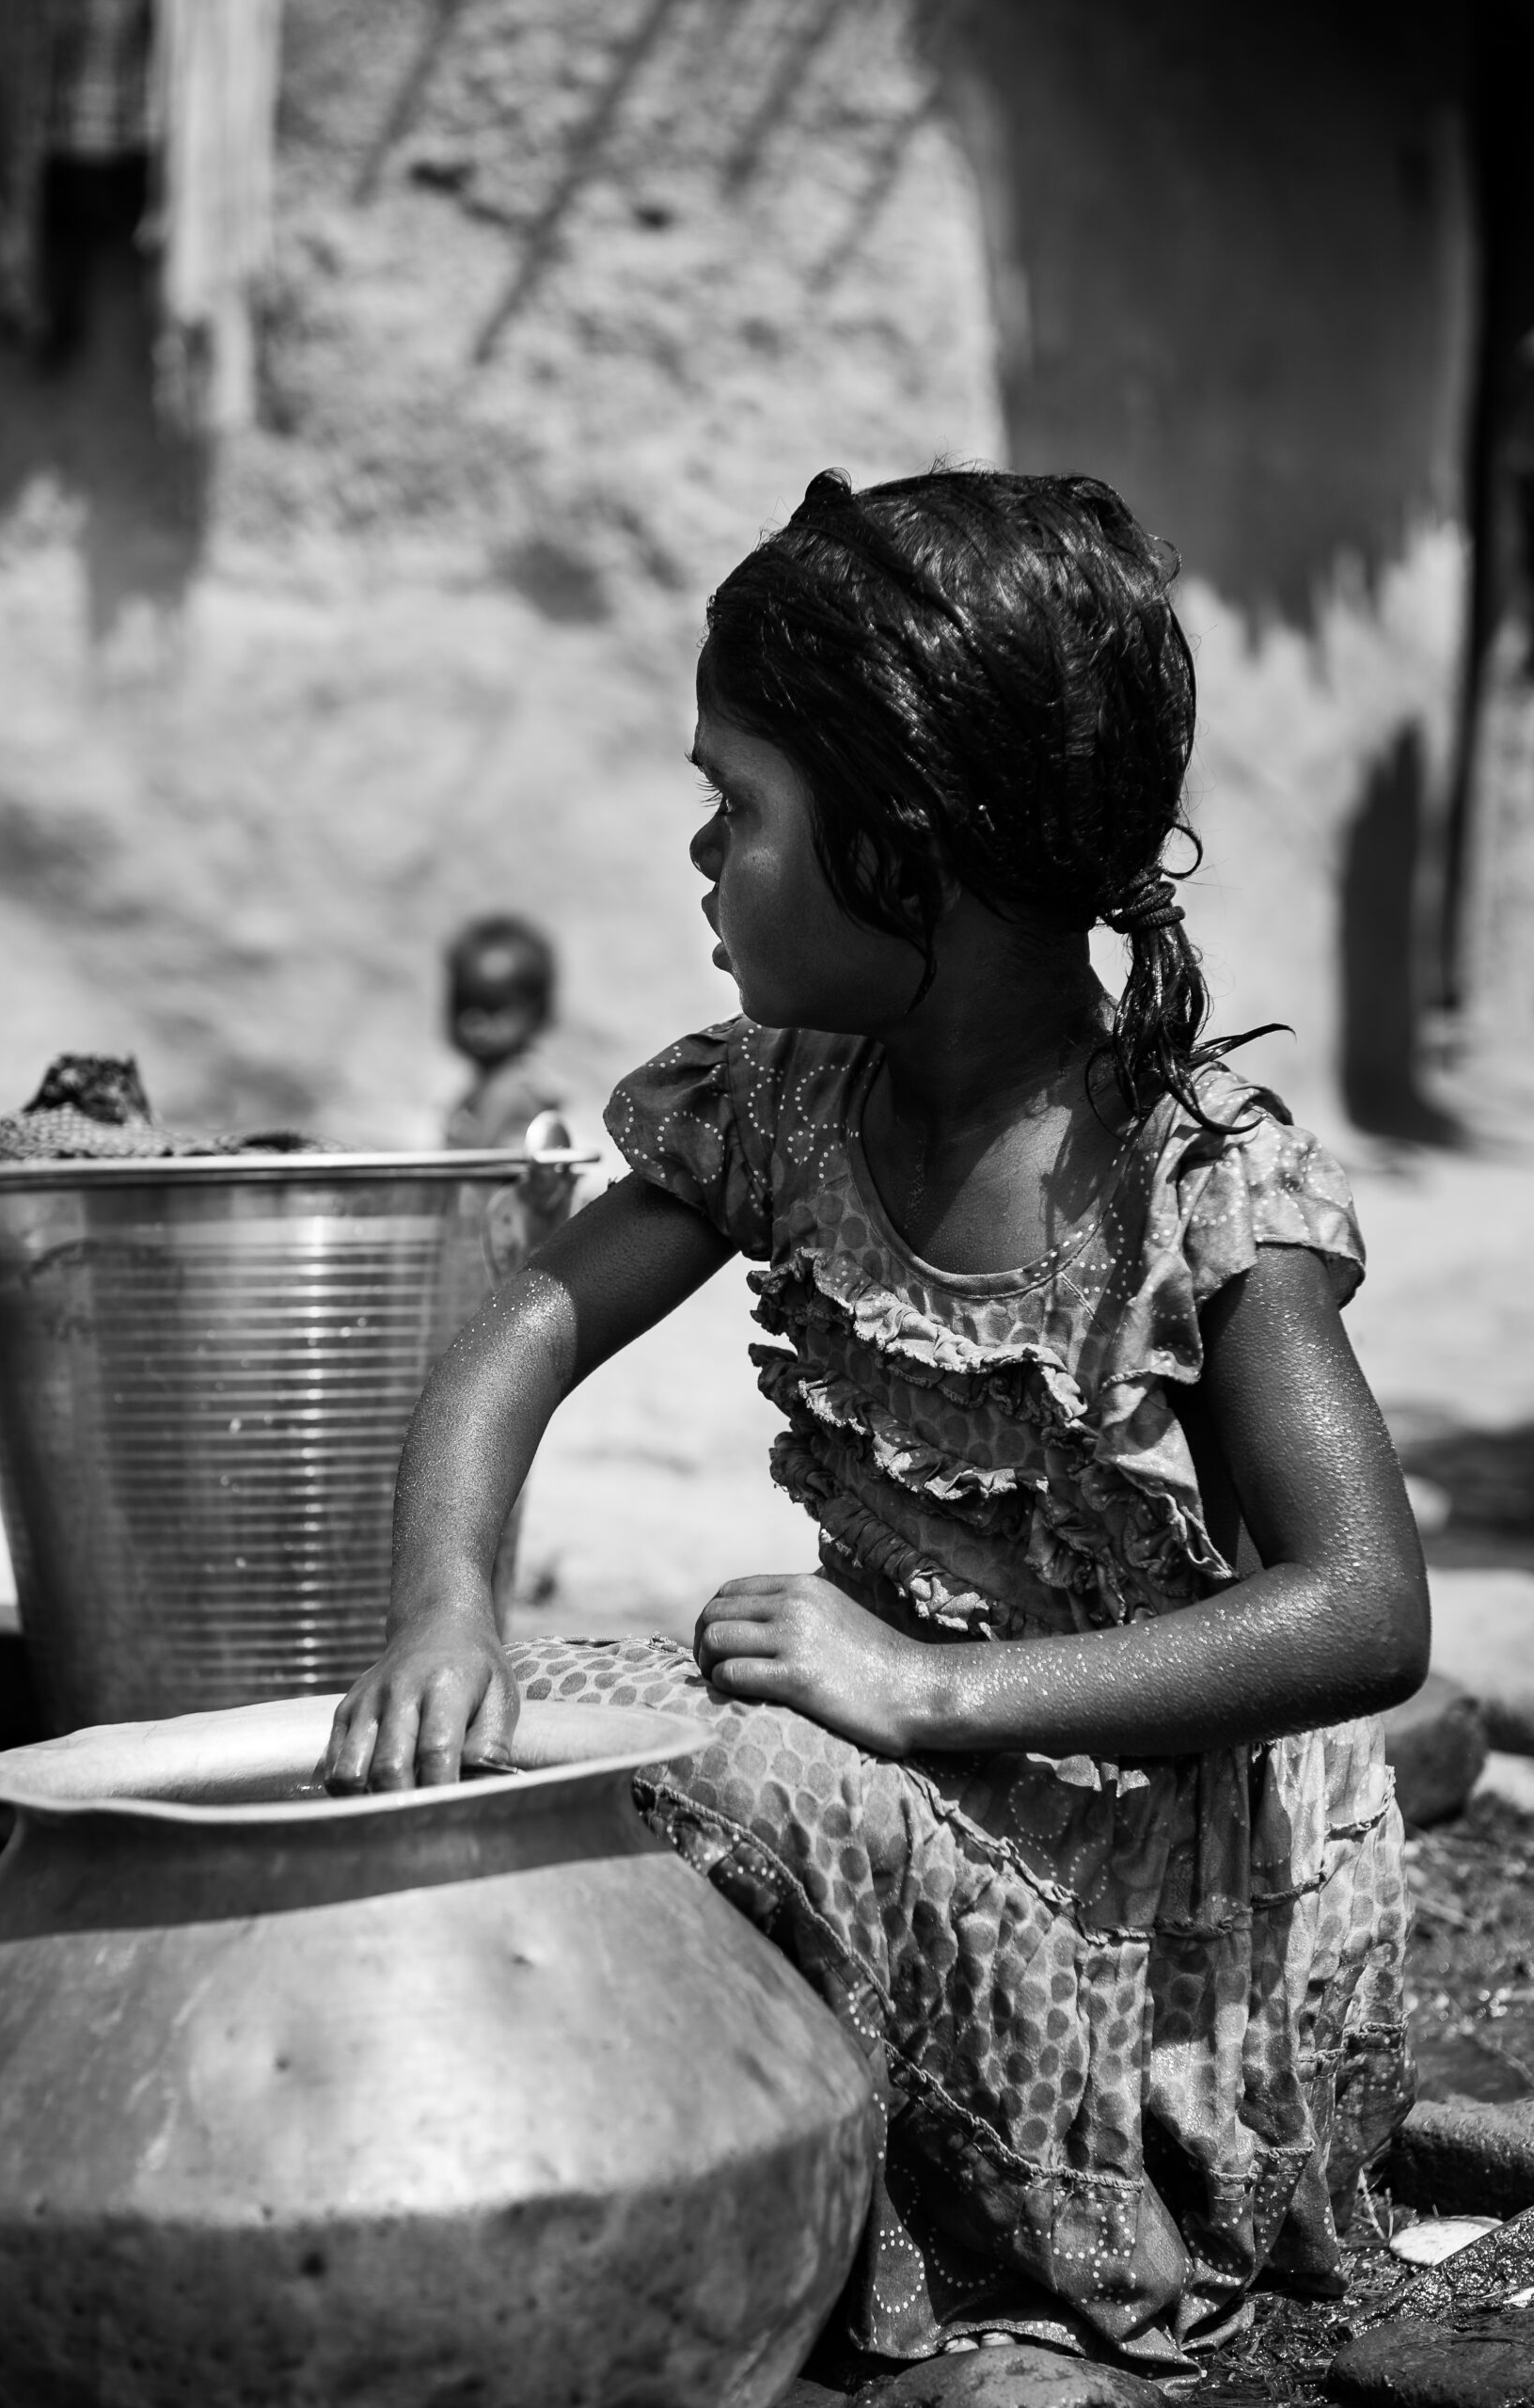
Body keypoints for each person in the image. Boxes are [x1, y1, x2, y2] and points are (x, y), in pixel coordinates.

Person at [325, 470, 1427, 2383]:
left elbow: (1366, 1614)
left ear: (906, 846)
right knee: (564, 1723)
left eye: (737, 803)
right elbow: (515, 1333)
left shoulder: (1187, 1185)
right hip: (909, 1800)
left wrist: (925, 1689)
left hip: (1153, 1962)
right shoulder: (780, 1104)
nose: (697, 851)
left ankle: (873, 2218)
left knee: (728, 1769)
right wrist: (445, 1608)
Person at [441, 912, 562, 1149]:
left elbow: (471, 1165)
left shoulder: (508, 1091)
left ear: (536, 1012)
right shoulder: (487, 1084)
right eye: (464, 1004)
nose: (474, 1023)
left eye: (493, 1008)